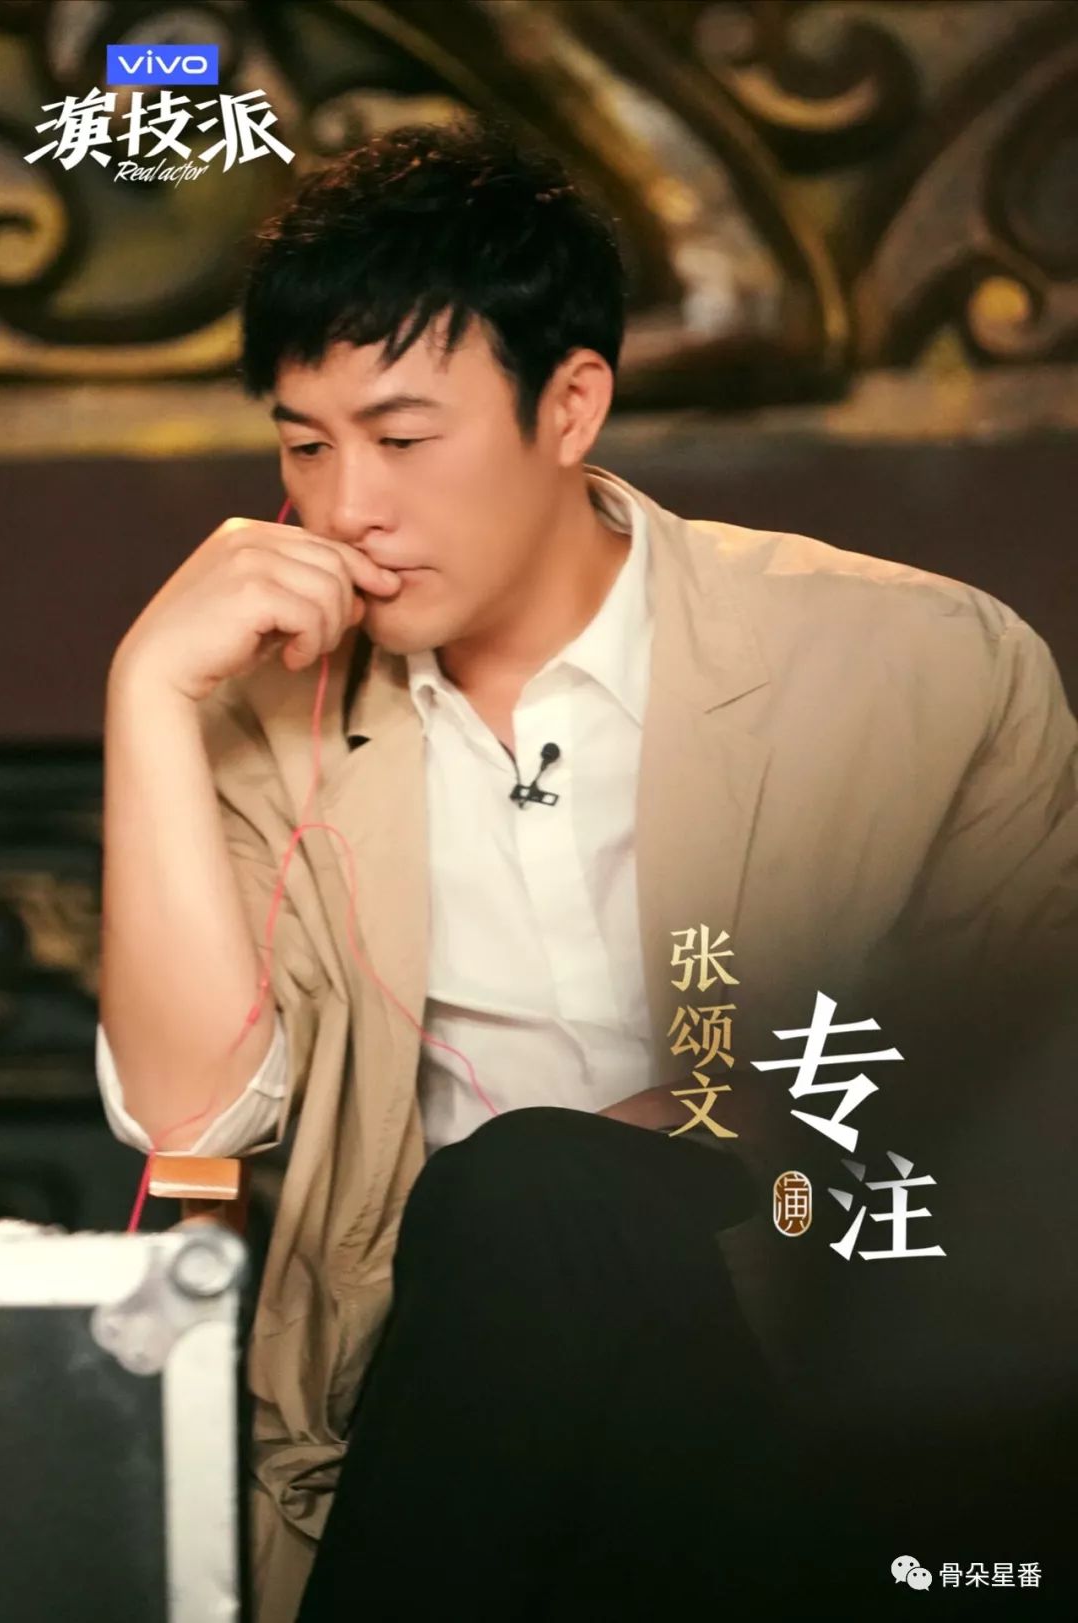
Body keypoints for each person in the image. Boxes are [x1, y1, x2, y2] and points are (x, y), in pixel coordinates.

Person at [96, 119, 1078, 1621]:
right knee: (526, 1209)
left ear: (570, 405)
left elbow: (1007, 1094)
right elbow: (196, 1121)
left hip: (832, 1400)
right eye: (305, 445)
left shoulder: (924, 666)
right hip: (452, 1401)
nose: (347, 507)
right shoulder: (265, 719)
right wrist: (150, 694)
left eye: (402, 439)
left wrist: (666, 1134)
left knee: (538, 1188)